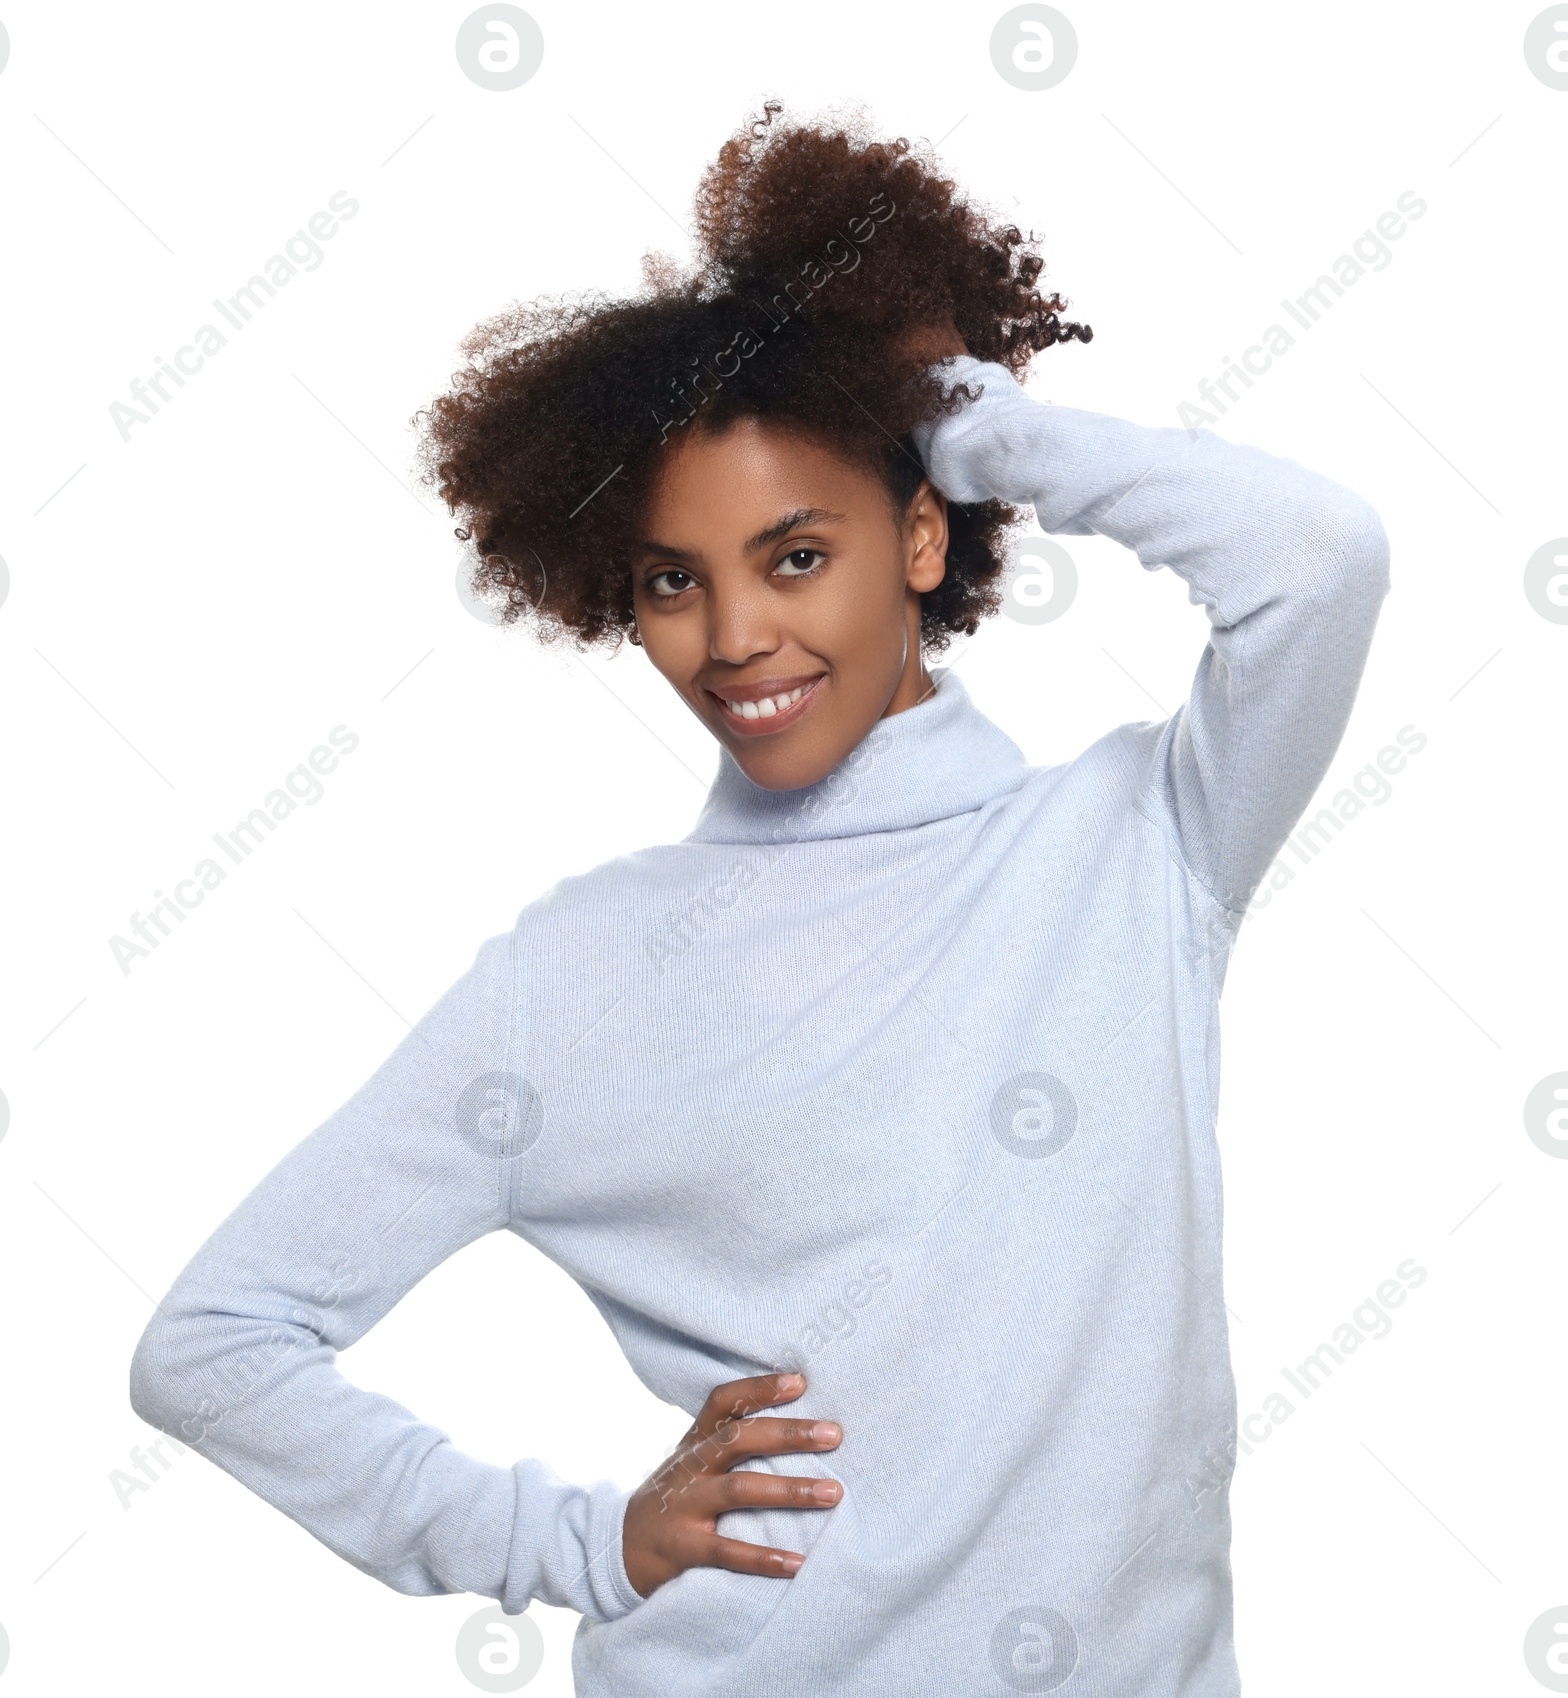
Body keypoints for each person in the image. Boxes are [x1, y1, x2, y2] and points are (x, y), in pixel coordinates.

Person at [130, 102, 1391, 1696]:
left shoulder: (1138, 844)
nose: (733, 635)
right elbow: (216, 1345)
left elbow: (1319, 557)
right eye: (675, 578)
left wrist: (964, 418)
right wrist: (578, 1545)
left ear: (921, 534)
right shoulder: (574, 973)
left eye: (797, 555)